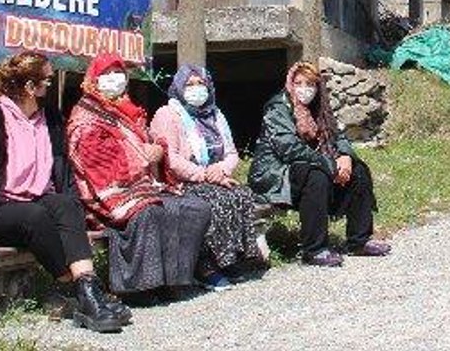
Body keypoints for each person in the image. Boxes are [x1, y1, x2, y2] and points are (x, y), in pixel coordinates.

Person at [0, 51, 127, 333]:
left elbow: (64, 174)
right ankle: (73, 288)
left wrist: (80, 218)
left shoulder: (50, 120)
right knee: (34, 217)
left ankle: (88, 292)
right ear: (29, 88)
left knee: (68, 206)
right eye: (46, 81)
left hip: (37, 198)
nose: (50, 86)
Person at [67, 52, 213, 300]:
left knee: (194, 207)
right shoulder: (86, 117)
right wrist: (144, 156)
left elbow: (150, 140)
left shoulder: (126, 110)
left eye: (119, 73)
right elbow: (98, 165)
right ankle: (137, 287)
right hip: (107, 191)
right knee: (149, 212)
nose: (114, 79)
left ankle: (176, 280)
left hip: (142, 185)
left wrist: (158, 149)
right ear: (94, 79)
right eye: (107, 74)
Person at [248, 61, 390, 267]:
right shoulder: (278, 107)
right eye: (299, 83)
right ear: (290, 84)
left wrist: (345, 156)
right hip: (274, 174)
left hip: (308, 167)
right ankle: (314, 249)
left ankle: (359, 241)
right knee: (316, 175)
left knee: (358, 170)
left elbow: (338, 136)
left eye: (311, 84)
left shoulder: (320, 108)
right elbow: (288, 148)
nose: (304, 90)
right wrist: (330, 164)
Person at [150, 64, 266, 289]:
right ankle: (205, 266)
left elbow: (232, 153)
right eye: (189, 84)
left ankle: (229, 258)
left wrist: (221, 170)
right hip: (181, 181)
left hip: (214, 176)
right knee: (214, 200)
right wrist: (204, 174)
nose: (196, 89)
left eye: (200, 84)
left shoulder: (216, 114)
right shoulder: (168, 114)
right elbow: (170, 158)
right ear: (178, 87)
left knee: (240, 194)